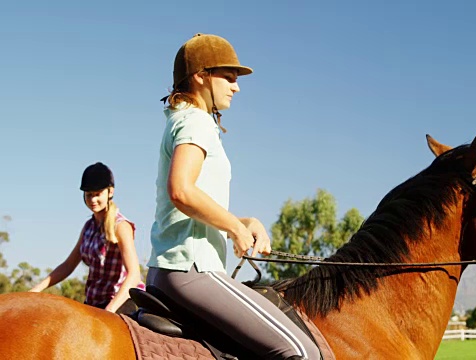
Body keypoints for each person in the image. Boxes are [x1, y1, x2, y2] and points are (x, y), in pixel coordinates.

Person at [147, 33, 320, 360]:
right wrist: (236, 230)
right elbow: (181, 191)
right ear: (200, 76)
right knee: (302, 351)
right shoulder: (196, 121)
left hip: (172, 267)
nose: (236, 86)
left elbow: (190, 204)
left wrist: (243, 222)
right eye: (228, 77)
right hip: (192, 269)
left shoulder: (184, 119)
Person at [30, 162, 144, 314]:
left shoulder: (121, 226)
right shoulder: (88, 227)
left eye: (98, 194)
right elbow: (68, 265)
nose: (93, 200)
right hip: (94, 302)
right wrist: (36, 289)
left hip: (120, 301)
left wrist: (110, 309)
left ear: (110, 192)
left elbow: (134, 274)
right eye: (89, 195)